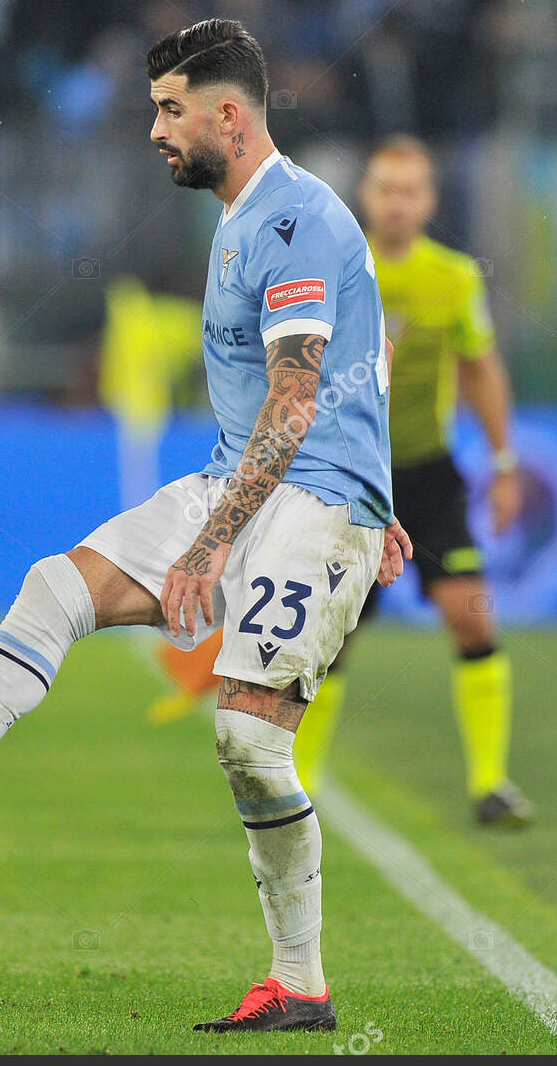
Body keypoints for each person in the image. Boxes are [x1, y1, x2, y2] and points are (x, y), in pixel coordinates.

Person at [0, 19, 410, 1034]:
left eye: (170, 109)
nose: (155, 130)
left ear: (228, 113)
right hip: (245, 483)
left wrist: (278, 529)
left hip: (311, 502)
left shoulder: (294, 220)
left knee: (249, 746)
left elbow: (299, 401)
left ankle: (299, 982)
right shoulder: (242, 220)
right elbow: (351, 364)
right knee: (55, 586)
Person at [149, 136, 534, 827]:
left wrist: (504, 462)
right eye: (386, 188)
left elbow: (480, 368)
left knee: (470, 614)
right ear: (367, 196)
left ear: (429, 201)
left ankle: (491, 781)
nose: (396, 202)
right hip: (349, 468)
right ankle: (305, 780)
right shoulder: (336, 258)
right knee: (335, 633)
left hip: (426, 468)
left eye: (410, 190)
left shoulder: (453, 279)